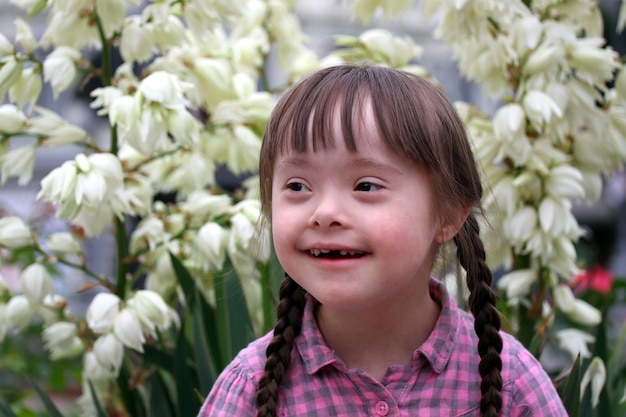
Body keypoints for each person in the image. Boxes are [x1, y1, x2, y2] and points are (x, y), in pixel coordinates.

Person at [197, 64, 567, 417]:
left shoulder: (510, 382)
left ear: (449, 214)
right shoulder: (249, 388)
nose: (324, 212)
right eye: (297, 186)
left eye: (366, 186)